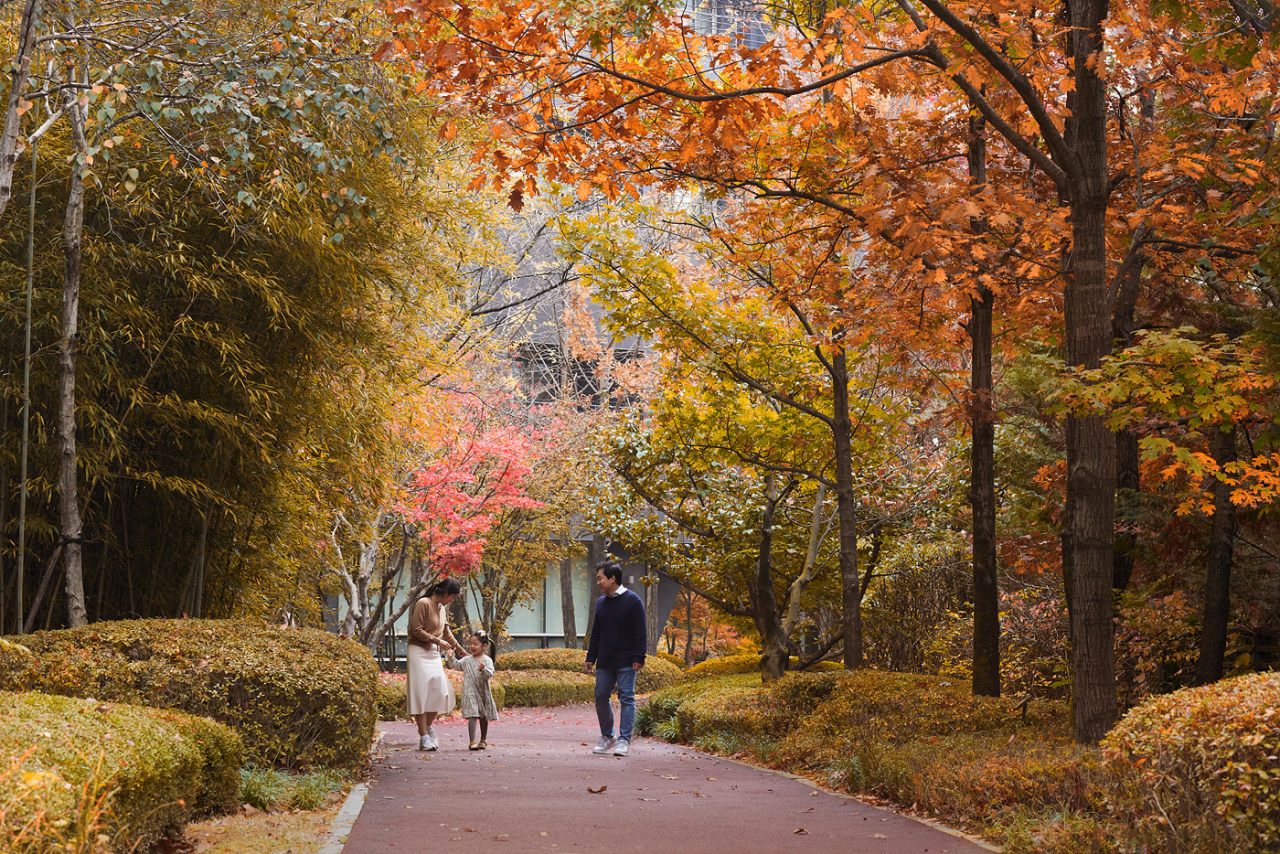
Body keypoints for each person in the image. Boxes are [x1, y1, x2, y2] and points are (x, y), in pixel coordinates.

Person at [584, 559, 646, 757]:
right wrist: (590, 657)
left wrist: (639, 656)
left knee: (626, 698)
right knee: (601, 696)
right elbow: (597, 632)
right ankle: (607, 736)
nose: (598, 582)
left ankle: (624, 740)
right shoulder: (601, 603)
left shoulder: (633, 600)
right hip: (605, 659)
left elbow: (641, 632)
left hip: (627, 660)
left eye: (600, 578)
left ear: (612, 578)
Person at [407, 577, 465, 751]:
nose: (452, 601)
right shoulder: (423, 603)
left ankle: (428, 727)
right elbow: (415, 630)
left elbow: (446, 632)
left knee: (440, 692)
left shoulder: (441, 608)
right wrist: (437, 641)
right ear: (445, 593)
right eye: (452, 597)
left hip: (433, 653)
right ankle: (424, 737)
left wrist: (460, 649)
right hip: (418, 652)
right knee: (421, 694)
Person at [453, 629, 499, 750]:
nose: (472, 646)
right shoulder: (467, 660)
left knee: (483, 716)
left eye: (475, 644)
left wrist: (483, 669)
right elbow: (457, 665)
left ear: (484, 646)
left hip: (483, 692)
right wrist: (450, 657)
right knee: (473, 715)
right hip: (470, 691)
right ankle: (472, 741)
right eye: (470, 644)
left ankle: (483, 739)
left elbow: (488, 675)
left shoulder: (487, 660)